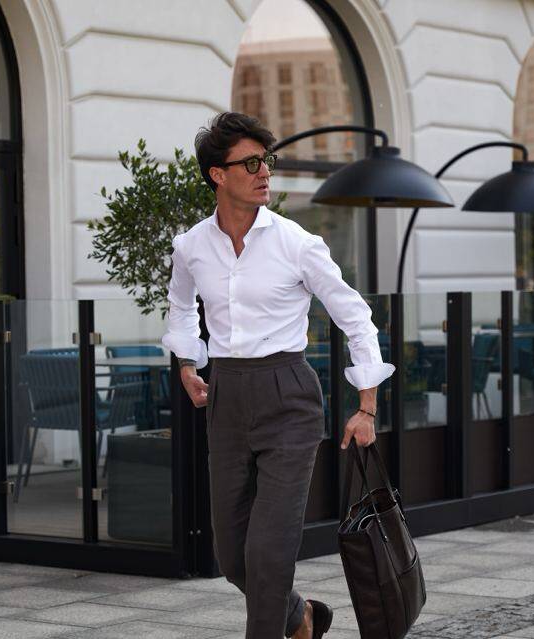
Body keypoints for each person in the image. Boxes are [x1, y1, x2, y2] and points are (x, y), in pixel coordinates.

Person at [161, 112, 395, 639]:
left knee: (268, 553)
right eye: (250, 163)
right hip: (226, 397)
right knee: (232, 556)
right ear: (217, 175)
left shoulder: (297, 243)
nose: (264, 172)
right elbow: (179, 307)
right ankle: (301, 616)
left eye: (266, 161)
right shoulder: (191, 246)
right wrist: (187, 363)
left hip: (288, 395)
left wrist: (367, 405)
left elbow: (355, 315)